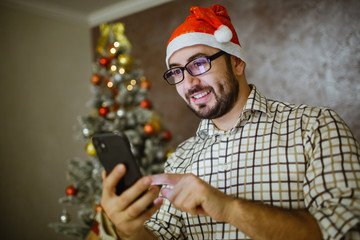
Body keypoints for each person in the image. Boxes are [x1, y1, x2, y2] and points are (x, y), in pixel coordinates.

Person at [97, 4, 360, 240]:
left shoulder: (316, 126)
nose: (189, 83)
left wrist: (228, 208)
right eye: (177, 71)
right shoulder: (180, 159)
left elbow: (345, 232)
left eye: (198, 63)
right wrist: (130, 231)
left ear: (236, 62)